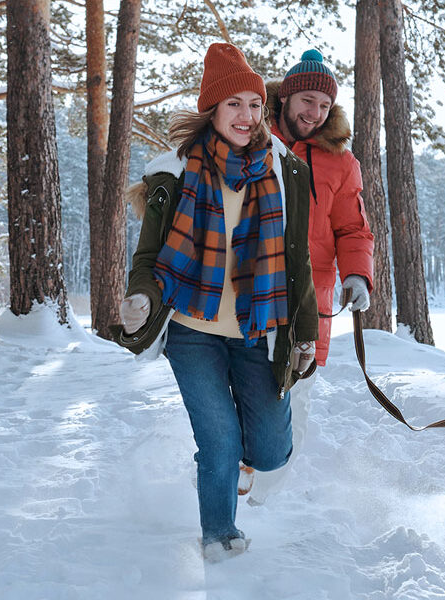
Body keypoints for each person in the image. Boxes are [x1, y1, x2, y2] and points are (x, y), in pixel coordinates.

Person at [111, 43, 318, 563]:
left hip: (259, 328)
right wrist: (140, 297)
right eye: (234, 105)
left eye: (254, 104)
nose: (247, 116)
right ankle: (219, 534)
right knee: (219, 437)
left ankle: (247, 462)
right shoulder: (176, 175)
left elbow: (299, 264)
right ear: (213, 111)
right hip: (192, 329)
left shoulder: (283, 171)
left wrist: (305, 332)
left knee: (269, 451)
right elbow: (150, 255)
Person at [245, 49, 375, 505]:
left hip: (310, 304)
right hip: (249, 292)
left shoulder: (341, 161)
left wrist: (357, 275)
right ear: (286, 97)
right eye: (307, 100)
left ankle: (260, 500)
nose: (314, 113)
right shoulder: (253, 139)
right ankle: (231, 483)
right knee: (242, 389)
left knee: (293, 406)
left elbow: (352, 228)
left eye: (324, 105)